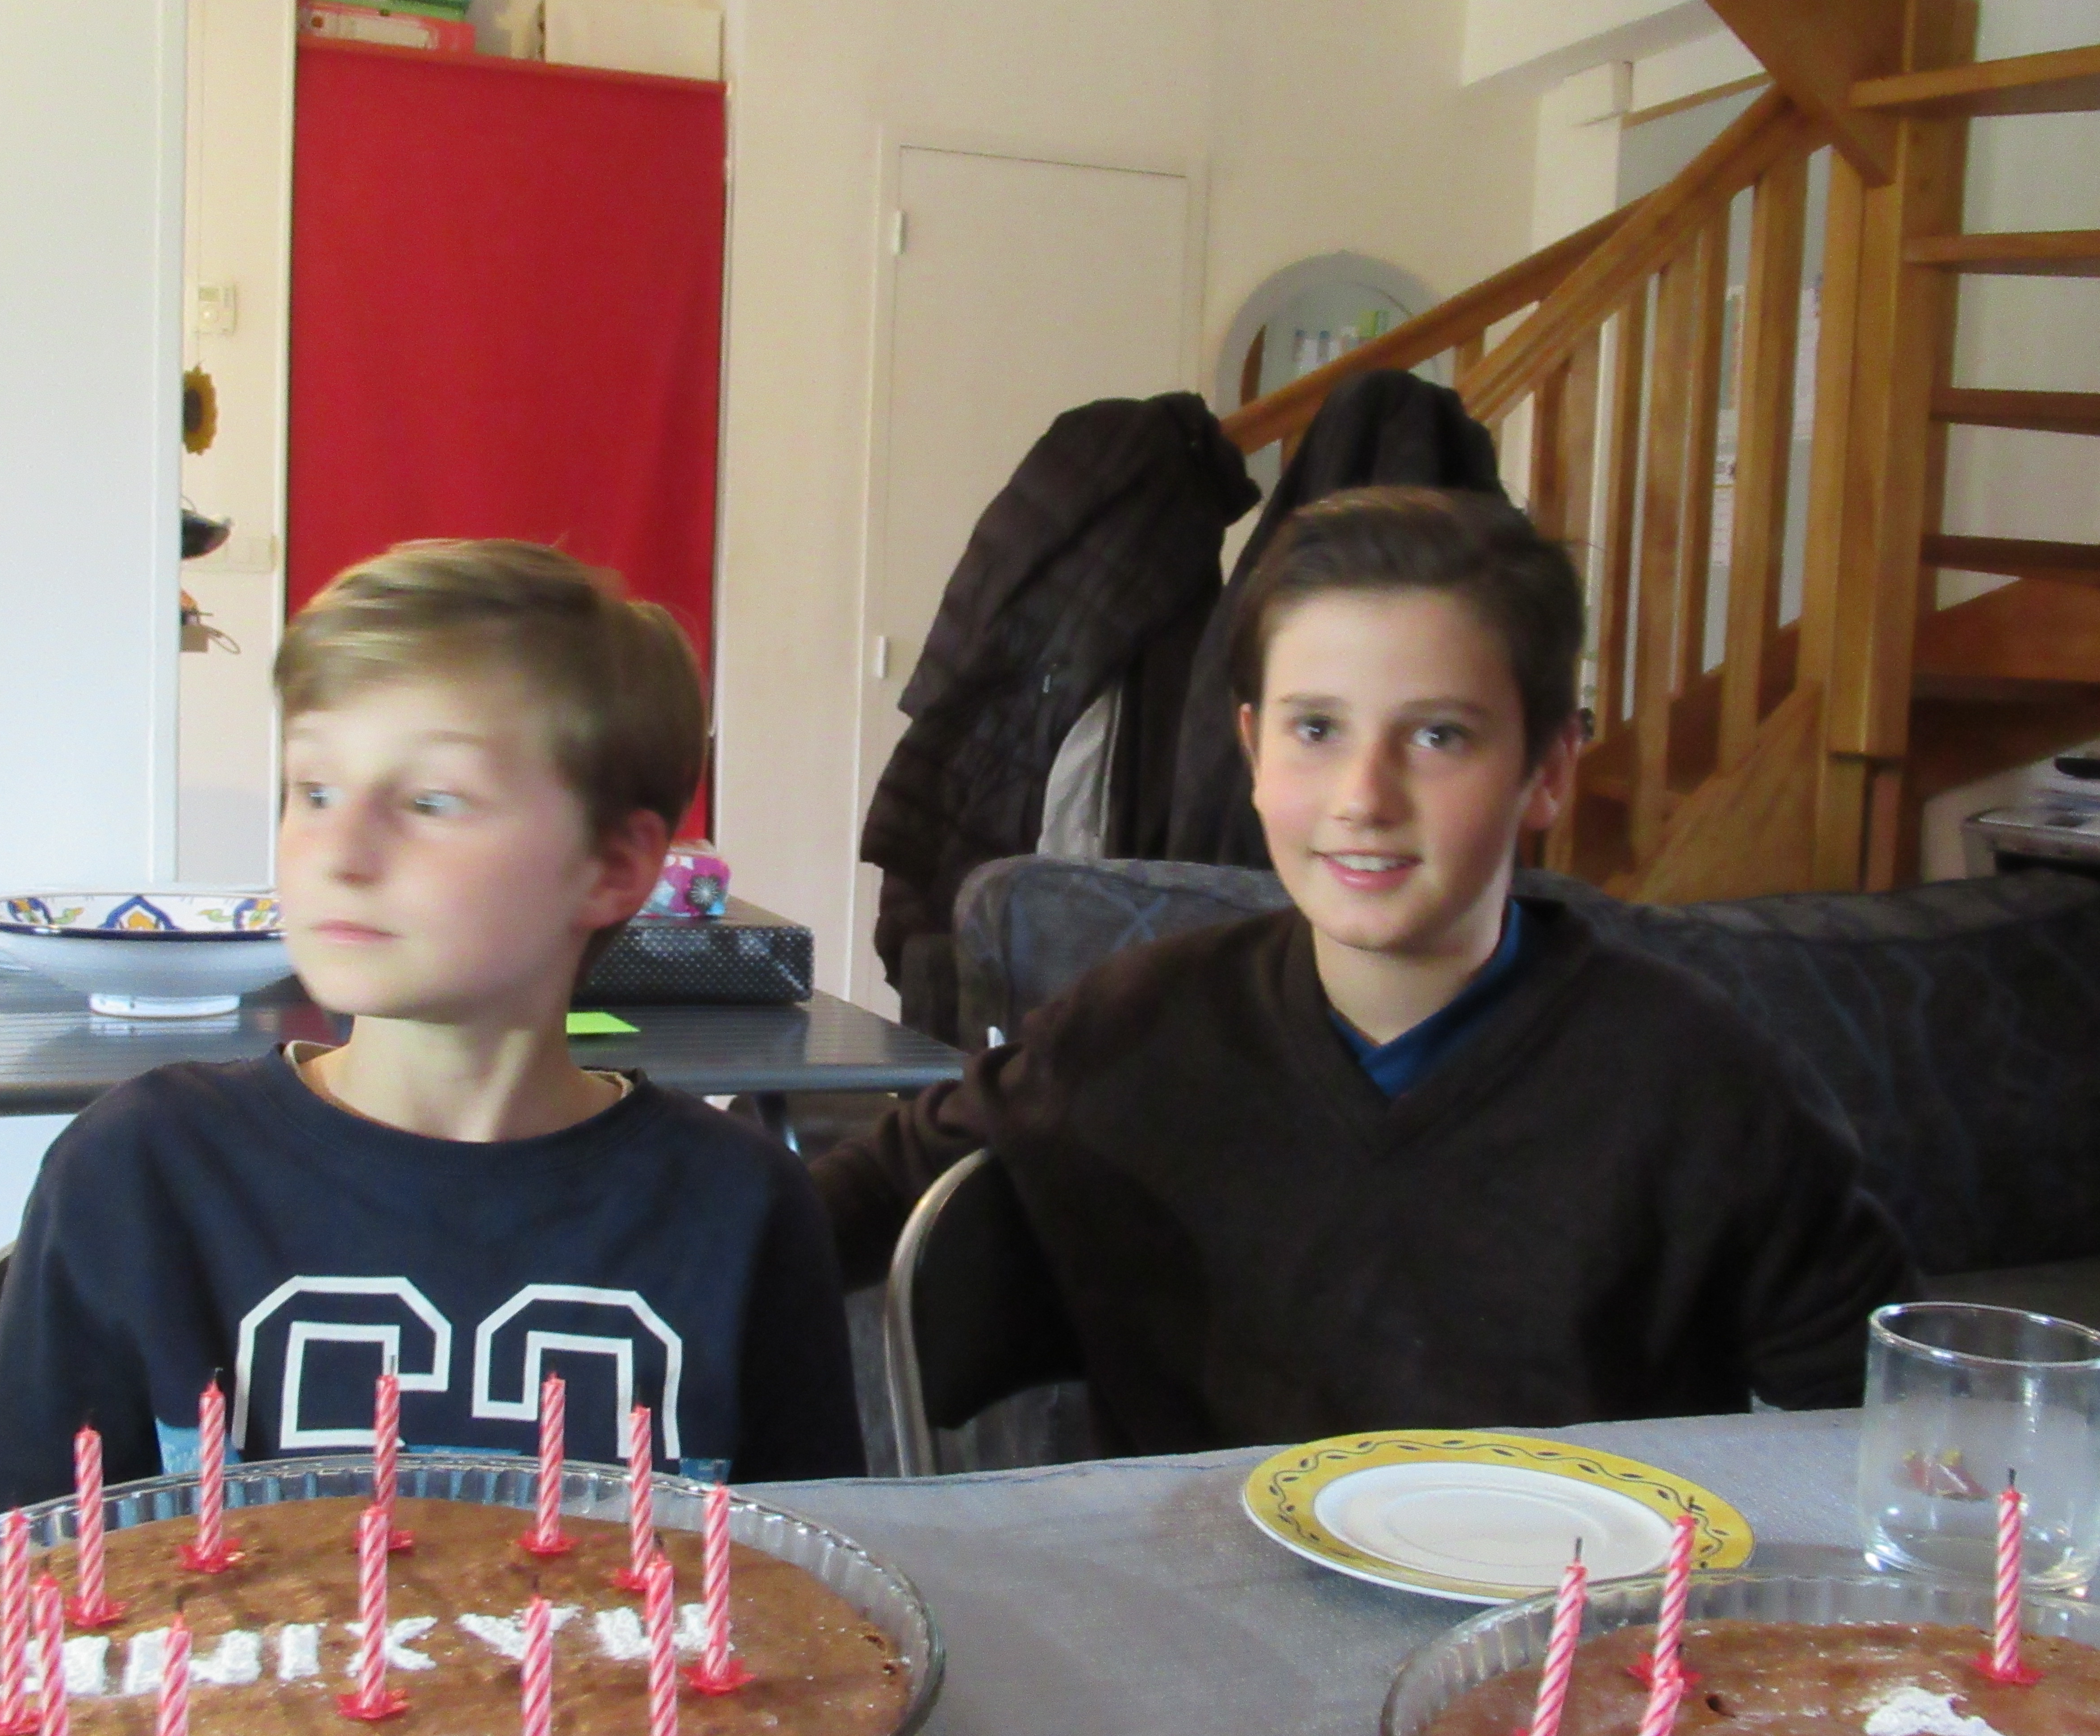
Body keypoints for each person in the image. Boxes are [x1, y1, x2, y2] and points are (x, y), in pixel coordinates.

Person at [815, 487, 1914, 1453]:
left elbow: (1890, 1421)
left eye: (1438, 737)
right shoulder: (1128, 1033)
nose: (1364, 798)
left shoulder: (1700, 1081)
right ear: (1253, 751)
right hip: (1199, 1609)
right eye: (1317, 730)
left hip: (1574, 1618)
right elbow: (838, 1208)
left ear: (1547, 770)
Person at [0, 541, 864, 1529]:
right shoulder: (139, 1175)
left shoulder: (744, 1211)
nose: (340, 853)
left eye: (431, 801)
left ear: (613, 865)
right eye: (314, 790)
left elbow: (818, 1592)